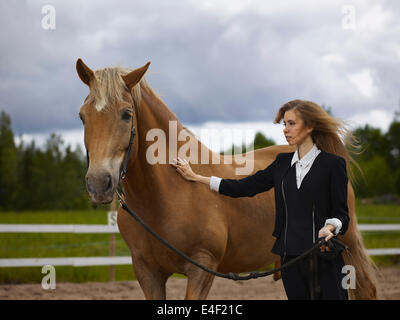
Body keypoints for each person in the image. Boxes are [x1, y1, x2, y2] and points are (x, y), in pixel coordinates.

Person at [171, 99, 358, 300]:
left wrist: (330, 227)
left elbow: (342, 215)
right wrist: (196, 177)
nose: (285, 130)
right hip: (290, 259)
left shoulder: (333, 165)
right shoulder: (281, 163)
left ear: (310, 126)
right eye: (284, 124)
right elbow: (244, 187)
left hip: (324, 256)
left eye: (292, 124)